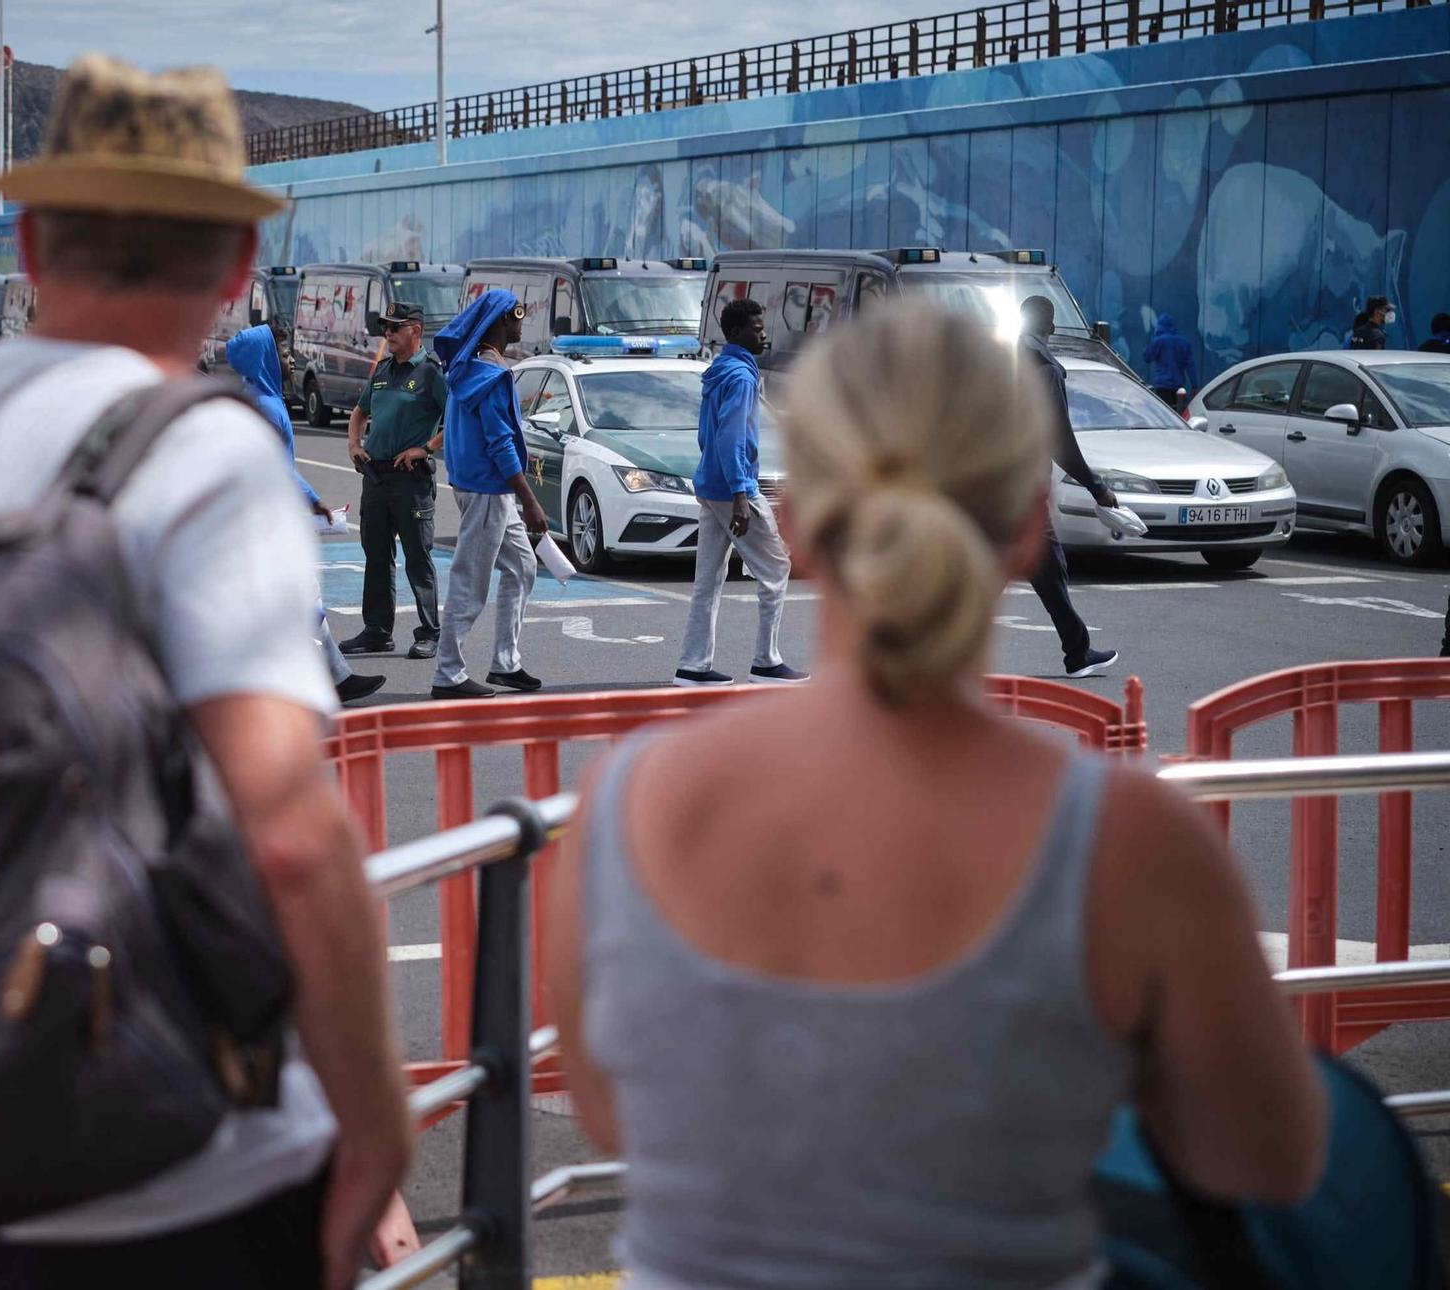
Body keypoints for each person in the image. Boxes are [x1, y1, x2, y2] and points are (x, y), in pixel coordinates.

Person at [544, 304, 1328, 1290]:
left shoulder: (629, 804)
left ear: (795, 524)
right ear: (1024, 530)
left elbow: (618, 1117)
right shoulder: (1130, 841)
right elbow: (1265, 1158)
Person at [0, 56, 410, 1288]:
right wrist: (373, 1123)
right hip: (180, 1163)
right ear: (236, 270)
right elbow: (288, 835)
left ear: (32, 244)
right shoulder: (201, 449)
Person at [226, 320, 386, 705]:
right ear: (265, 358)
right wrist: (312, 500)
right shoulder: (264, 406)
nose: (292, 360)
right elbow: (272, 466)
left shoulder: (264, 399)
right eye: (283, 354)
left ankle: (331, 676)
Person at [676, 298, 804, 687]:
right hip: (735, 488)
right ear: (735, 333)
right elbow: (732, 438)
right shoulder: (741, 378)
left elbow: (706, 435)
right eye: (756, 328)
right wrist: (740, 495)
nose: (763, 334)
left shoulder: (718, 370)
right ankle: (766, 661)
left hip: (710, 484)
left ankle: (693, 666)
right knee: (777, 567)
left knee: (708, 580)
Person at [430, 290, 545, 700]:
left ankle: (505, 663)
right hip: (488, 492)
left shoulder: (468, 367)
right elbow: (500, 444)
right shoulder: (493, 377)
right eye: (515, 320)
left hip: (478, 486)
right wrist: (530, 501)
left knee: (523, 567)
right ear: (498, 322)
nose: (519, 327)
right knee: (470, 582)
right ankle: (448, 673)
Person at [341, 301, 447, 661]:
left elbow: (457, 419)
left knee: (417, 556)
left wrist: (426, 449)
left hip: (410, 481)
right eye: (385, 326)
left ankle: (430, 632)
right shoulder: (384, 370)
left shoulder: (432, 372)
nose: (387, 333)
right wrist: (355, 445)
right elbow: (359, 412)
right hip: (376, 476)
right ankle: (377, 631)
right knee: (376, 555)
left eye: (394, 327)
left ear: (415, 331)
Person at [1020, 295, 1120, 679]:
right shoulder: (1045, 367)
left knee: (1044, 567)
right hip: (1022, 487)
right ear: (1052, 327)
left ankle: (1077, 651)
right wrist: (1098, 488)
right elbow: (1059, 438)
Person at [1141, 310, 1197, 406]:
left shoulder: (1159, 341)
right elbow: (1191, 367)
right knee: (1177, 412)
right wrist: (1195, 386)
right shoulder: (1184, 342)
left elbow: (1147, 357)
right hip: (1178, 387)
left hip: (1162, 386)